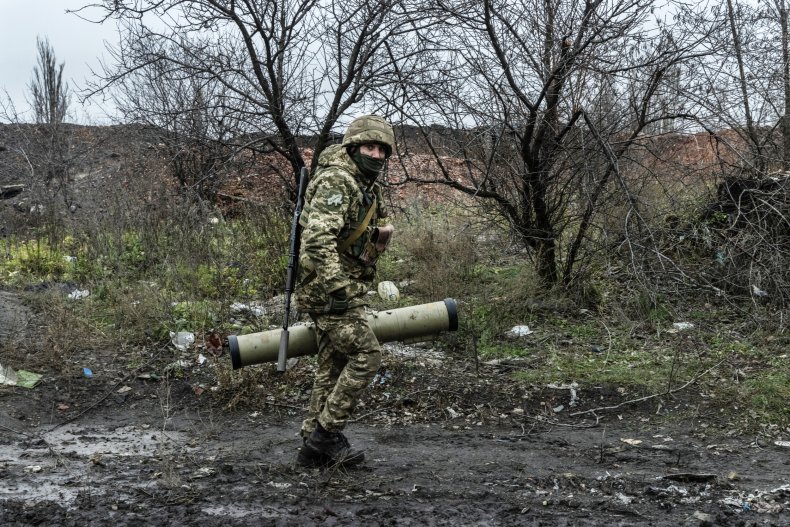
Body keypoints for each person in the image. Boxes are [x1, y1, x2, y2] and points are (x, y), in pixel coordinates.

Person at [294, 115, 396, 468]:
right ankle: (324, 436)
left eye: (382, 149)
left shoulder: (364, 183)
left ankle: (313, 445)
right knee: (368, 355)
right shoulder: (339, 180)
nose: (377, 154)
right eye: (370, 146)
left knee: (332, 368)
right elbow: (318, 240)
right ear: (353, 148)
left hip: (338, 288)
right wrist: (338, 287)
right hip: (330, 291)